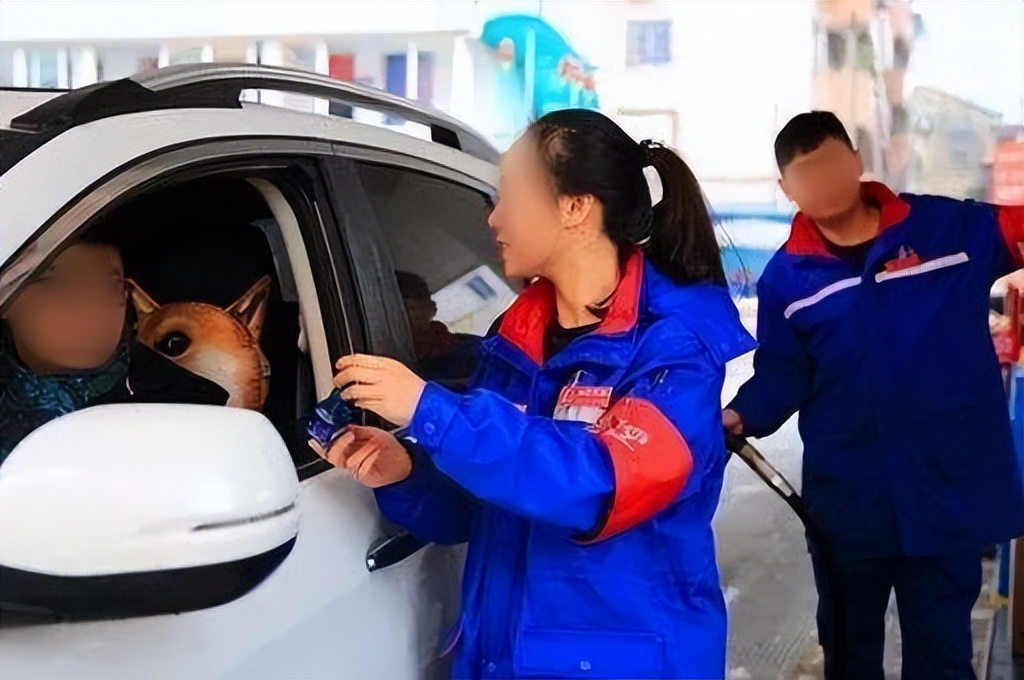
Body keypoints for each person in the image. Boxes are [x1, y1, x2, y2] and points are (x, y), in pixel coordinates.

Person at [311, 109, 755, 679]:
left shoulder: (675, 350)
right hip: (503, 658)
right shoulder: (511, 343)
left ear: (574, 207)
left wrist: (431, 410)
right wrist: (405, 474)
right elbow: (483, 509)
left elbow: (601, 488)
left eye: (510, 195)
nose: (494, 218)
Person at [724, 111, 1024, 680]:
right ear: (787, 188)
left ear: (856, 162)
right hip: (849, 503)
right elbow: (785, 372)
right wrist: (740, 415)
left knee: (942, 656)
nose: (823, 181)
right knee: (849, 651)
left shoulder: (948, 231)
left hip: (945, 491)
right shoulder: (787, 279)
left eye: (831, 163)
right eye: (805, 173)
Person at [0, 235, 228, 463]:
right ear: (7, 297)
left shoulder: (180, 412)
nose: (90, 307)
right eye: (60, 284)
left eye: (110, 286)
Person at [395, 269, 482, 390]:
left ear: (431, 309)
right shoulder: (380, 357)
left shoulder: (474, 352)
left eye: (410, 308)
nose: (403, 317)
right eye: (396, 312)